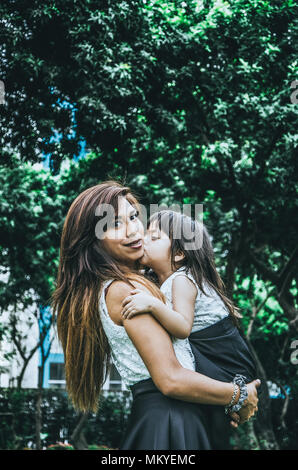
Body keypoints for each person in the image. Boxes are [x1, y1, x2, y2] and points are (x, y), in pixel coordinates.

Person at [51, 180, 260, 450]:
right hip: (171, 419)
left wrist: (226, 399)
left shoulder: (132, 284)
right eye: (114, 224)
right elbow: (171, 379)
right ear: (94, 242)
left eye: (134, 217)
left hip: (172, 416)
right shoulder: (128, 289)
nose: (133, 230)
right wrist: (240, 394)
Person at [121, 210, 258, 449]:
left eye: (154, 238)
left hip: (223, 357)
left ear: (179, 253)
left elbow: (183, 328)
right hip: (216, 357)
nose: (143, 240)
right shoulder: (167, 279)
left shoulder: (182, 280)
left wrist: (152, 305)